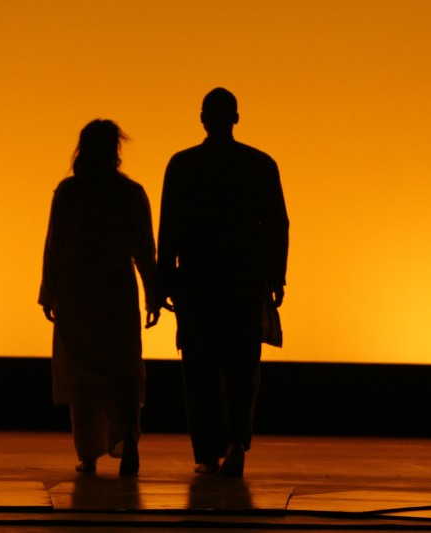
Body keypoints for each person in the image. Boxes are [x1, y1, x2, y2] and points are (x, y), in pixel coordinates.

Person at [156, 88, 289, 476]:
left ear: (202, 118)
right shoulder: (259, 164)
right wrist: (276, 275)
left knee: (199, 367)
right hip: (243, 279)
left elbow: (169, 228)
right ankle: (235, 443)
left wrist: (164, 281)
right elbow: (277, 225)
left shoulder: (182, 164)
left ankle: (208, 453)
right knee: (242, 365)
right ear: (236, 118)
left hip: (197, 278)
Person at [39, 119, 159, 476]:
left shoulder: (69, 192)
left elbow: (55, 246)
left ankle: (89, 453)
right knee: (122, 370)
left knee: (81, 373)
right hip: (116, 291)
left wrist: (48, 291)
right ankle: (127, 438)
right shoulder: (131, 193)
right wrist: (152, 294)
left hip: (77, 292)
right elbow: (144, 250)